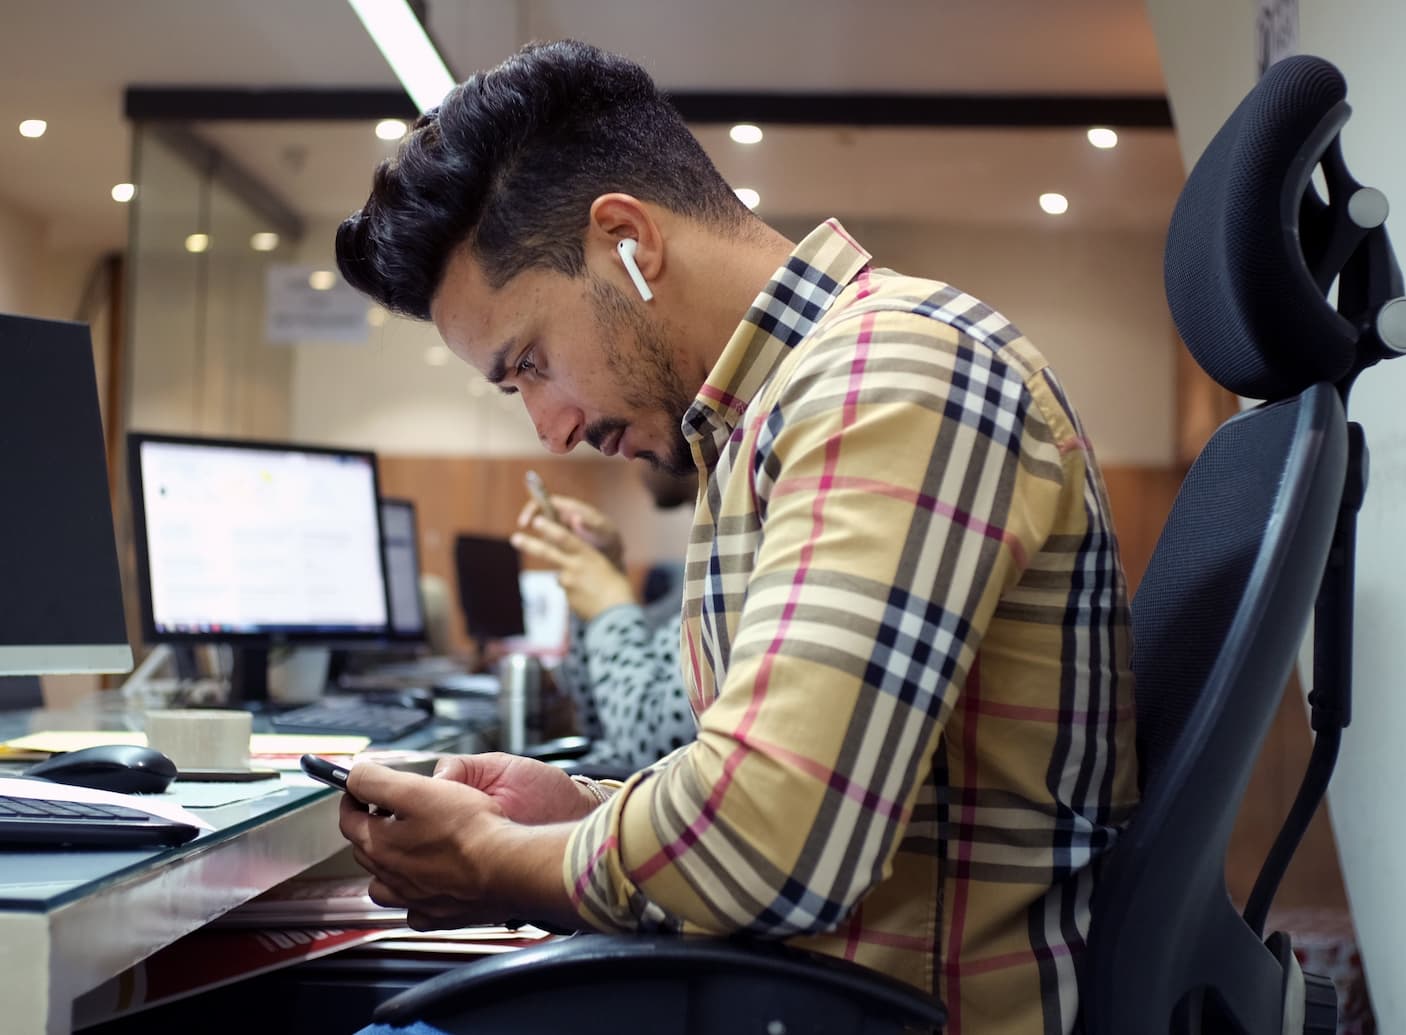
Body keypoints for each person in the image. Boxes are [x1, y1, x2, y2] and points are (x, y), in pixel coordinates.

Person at [334, 39, 1137, 1035]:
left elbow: (773, 840)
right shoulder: (767, 423)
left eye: (531, 362)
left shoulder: (890, 378)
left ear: (627, 239)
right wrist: (576, 811)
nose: (551, 429)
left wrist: (494, 863)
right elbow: (777, 779)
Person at [511, 468, 697, 769]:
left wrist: (610, 608)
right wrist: (603, 576)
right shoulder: (694, 573)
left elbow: (655, 752)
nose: (625, 459)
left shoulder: (735, 566)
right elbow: (598, 722)